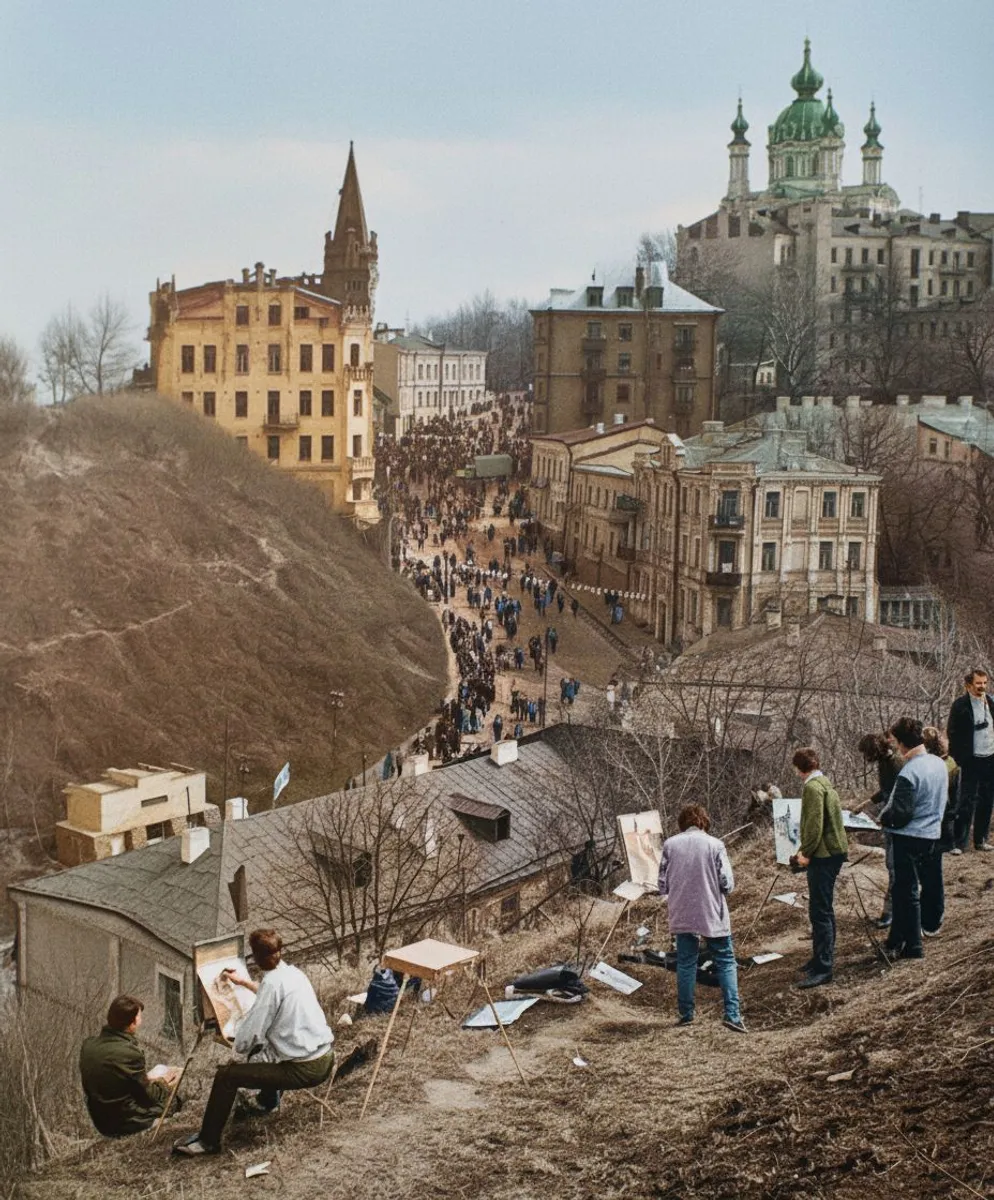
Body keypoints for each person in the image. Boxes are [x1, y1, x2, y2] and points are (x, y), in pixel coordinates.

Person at [173, 929, 334, 1157]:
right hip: (326, 1057)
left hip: (306, 1069)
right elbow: (272, 993)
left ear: (256, 958)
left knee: (226, 1076)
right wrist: (245, 983)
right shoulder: (293, 973)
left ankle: (208, 1141)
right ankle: (266, 1103)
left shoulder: (271, 986)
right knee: (268, 1051)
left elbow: (246, 1041)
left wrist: (230, 1032)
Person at [657, 803, 745, 1033]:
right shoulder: (715, 845)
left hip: (682, 911)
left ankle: (686, 1015)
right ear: (703, 822)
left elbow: (662, 885)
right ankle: (732, 1015)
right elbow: (728, 883)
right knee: (725, 961)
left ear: (682, 824)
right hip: (711, 911)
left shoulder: (670, 845)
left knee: (686, 962)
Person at [880, 717, 948, 959]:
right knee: (925, 887)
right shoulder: (938, 764)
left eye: (897, 742)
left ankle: (913, 947)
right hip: (932, 834)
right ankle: (897, 939)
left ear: (902, 743)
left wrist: (883, 818)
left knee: (905, 892)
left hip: (908, 837)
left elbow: (901, 813)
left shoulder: (909, 771)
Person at [79, 995, 180, 1138]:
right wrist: (165, 1082)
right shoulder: (130, 1054)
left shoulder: (88, 1044)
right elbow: (148, 1098)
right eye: (139, 1017)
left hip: (99, 1116)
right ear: (131, 1024)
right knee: (175, 1101)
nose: (141, 1021)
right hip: (123, 1121)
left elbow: (112, 1078)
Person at [792, 747, 848, 989]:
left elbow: (814, 827)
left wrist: (805, 853)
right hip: (833, 852)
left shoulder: (813, 788)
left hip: (824, 855)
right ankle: (820, 959)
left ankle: (824, 967)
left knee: (820, 911)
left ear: (799, 768)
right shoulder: (825, 782)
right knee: (823, 908)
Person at [857, 732, 903, 928]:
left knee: (895, 868)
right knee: (891, 866)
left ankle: (890, 914)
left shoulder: (894, 763)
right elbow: (886, 790)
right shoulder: (885, 762)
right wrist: (867, 802)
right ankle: (891, 912)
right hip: (891, 820)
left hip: (898, 822)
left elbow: (896, 794)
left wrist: (882, 815)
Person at [946, 669, 994, 854]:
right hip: (971, 760)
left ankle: (981, 840)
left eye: (984, 683)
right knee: (965, 801)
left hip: (990, 758)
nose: (982, 687)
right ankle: (960, 843)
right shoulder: (960, 706)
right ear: (968, 685)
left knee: (987, 800)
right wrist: (959, 758)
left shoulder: (990, 702)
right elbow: (952, 732)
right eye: (978, 683)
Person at [922, 725, 960, 852]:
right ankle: (950, 843)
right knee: (949, 811)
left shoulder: (928, 758)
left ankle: (943, 843)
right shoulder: (947, 755)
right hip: (951, 772)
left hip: (941, 782)